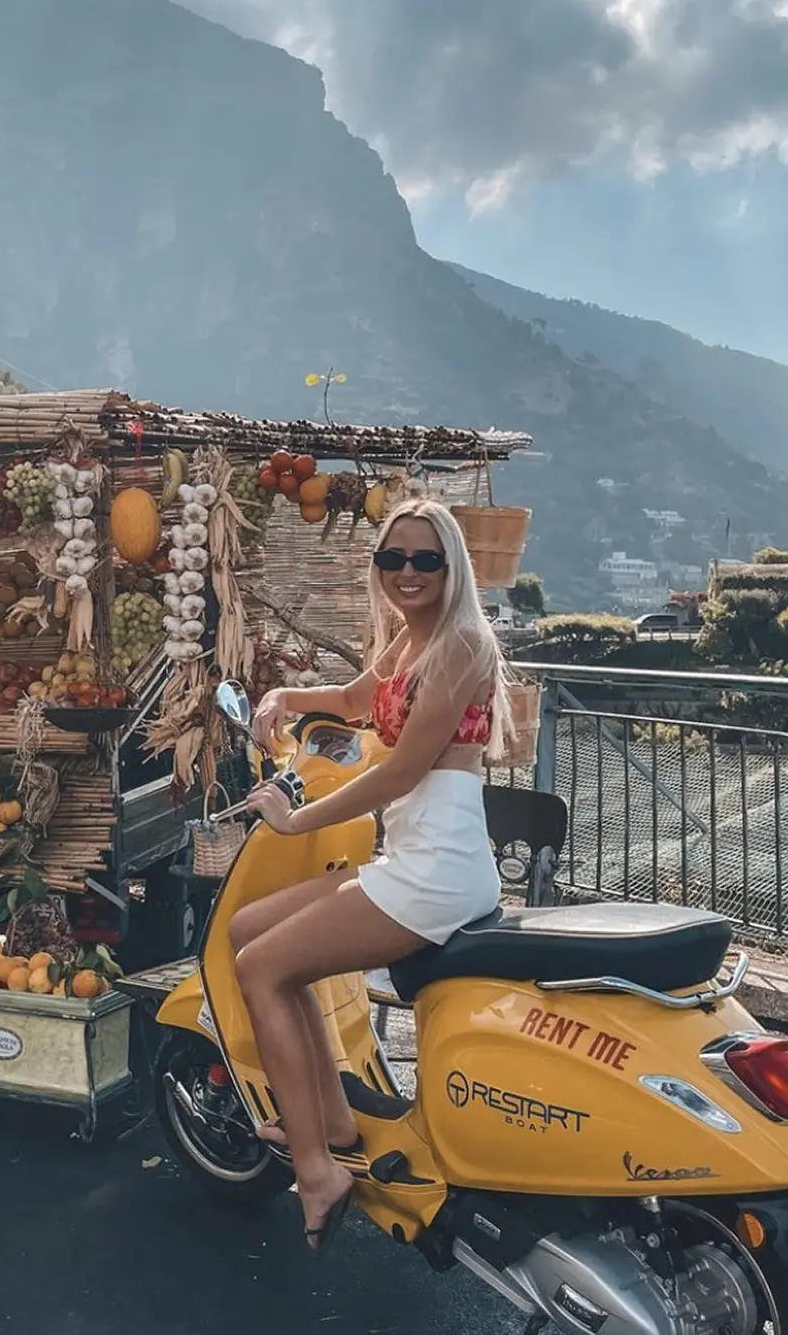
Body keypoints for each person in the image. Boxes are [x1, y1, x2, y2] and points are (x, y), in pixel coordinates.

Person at [233, 494, 511, 1253]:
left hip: (437, 871)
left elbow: (400, 775)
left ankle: (318, 1167)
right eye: (393, 558)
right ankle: (327, 1120)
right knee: (249, 930)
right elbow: (358, 702)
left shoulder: (459, 646)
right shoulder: (410, 641)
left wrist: (295, 820)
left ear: (452, 565)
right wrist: (287, 694)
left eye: (426, 558)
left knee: (263, 969)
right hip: (411, 859)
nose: (408, 572)